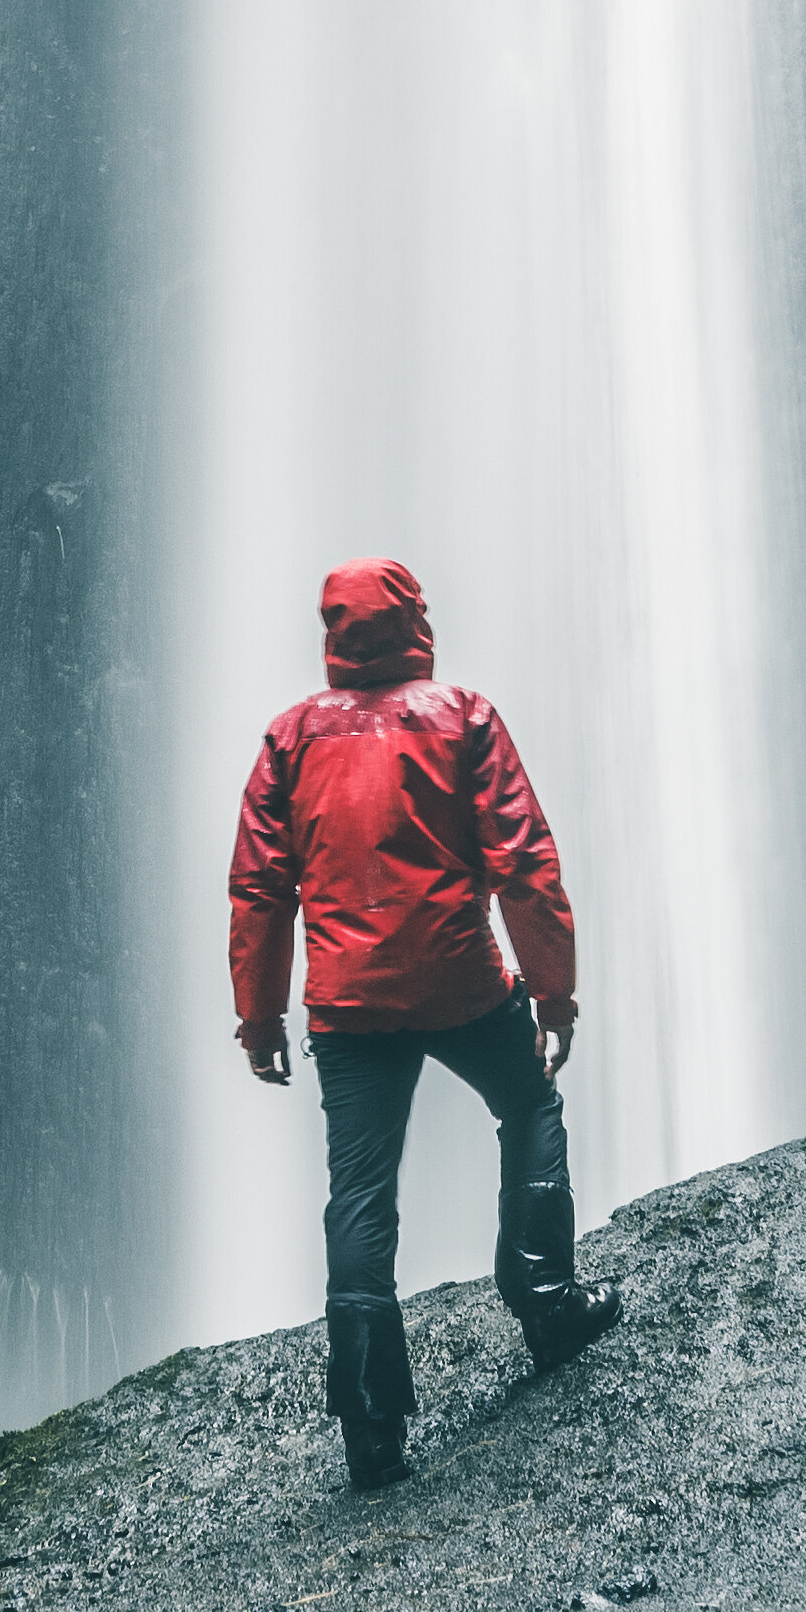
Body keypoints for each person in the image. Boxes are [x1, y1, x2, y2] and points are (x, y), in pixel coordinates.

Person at [227, 554, 620, 1491]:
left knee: (360, 1191)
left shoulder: (291, 738)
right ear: (414, 623)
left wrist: (260, 1017)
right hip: (461, 984)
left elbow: (258, 890)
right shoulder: (463, 717)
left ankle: (371, 1422)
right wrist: (554, 996)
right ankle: (547, 1298)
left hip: (349, 1007)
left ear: (335, 632)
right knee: (529, 1101)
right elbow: (525, 861)